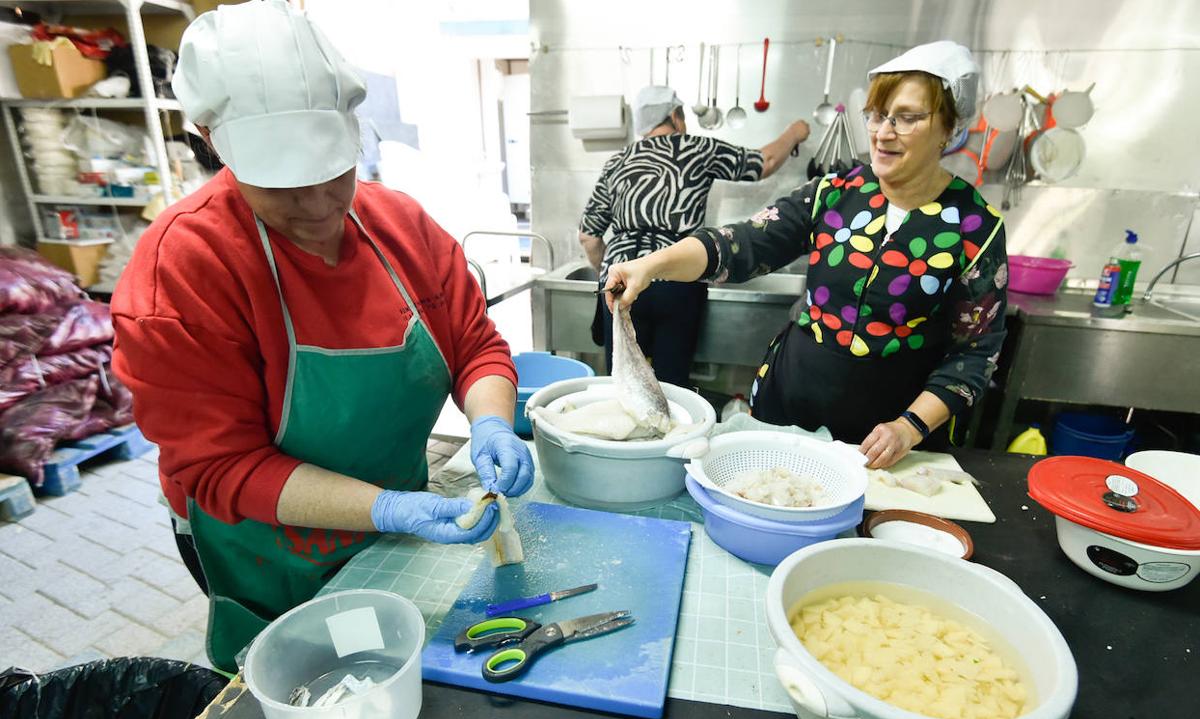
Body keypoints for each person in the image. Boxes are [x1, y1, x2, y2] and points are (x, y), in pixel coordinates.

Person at [111, 0, 534, 672]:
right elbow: (220, 467)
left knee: (393, 669)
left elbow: (476, 347)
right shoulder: (182, 274)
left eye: (331, 169)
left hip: (387, 534)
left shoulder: (402, 228)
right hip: (267, 552)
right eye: (281, 182)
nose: (315, 205)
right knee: (311, 685)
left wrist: (491, 424)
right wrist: (392, 508)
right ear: (209, 136)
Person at [602, 42, 1006, 469]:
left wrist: (909, 426)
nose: (883, 132)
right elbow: (741, 243)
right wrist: (652, 265)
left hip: (886, 431)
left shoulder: (974, 226)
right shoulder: (836, 194)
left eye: (907, 118)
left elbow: (977, 352)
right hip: (788, 402)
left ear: (949, 126)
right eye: (877, 114)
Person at [579, 84, 811, 387]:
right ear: (674, 116)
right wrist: (794, 133)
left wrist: (606, 271)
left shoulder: (617, 162)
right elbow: (762, 163)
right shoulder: (696, 147)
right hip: (674, 278)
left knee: (625, 385)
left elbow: (589, 237)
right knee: (672, 386)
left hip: (621, 283)